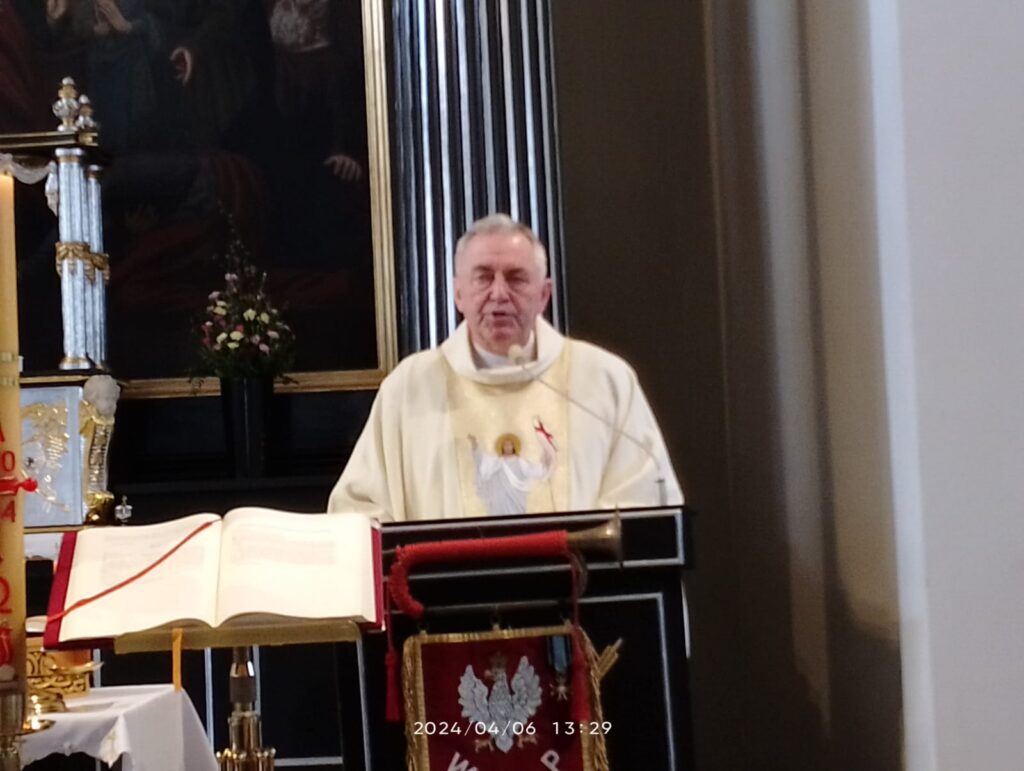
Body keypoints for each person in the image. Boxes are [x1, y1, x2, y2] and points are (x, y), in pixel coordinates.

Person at [327, 214, 682, 521]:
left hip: (580, 582)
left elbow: (645, 503)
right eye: (483, 277)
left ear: (543, 295)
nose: (499, 294)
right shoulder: (409, 389)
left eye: (516, 278)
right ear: (458, 294)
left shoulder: (604, 381)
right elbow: (359, 511)